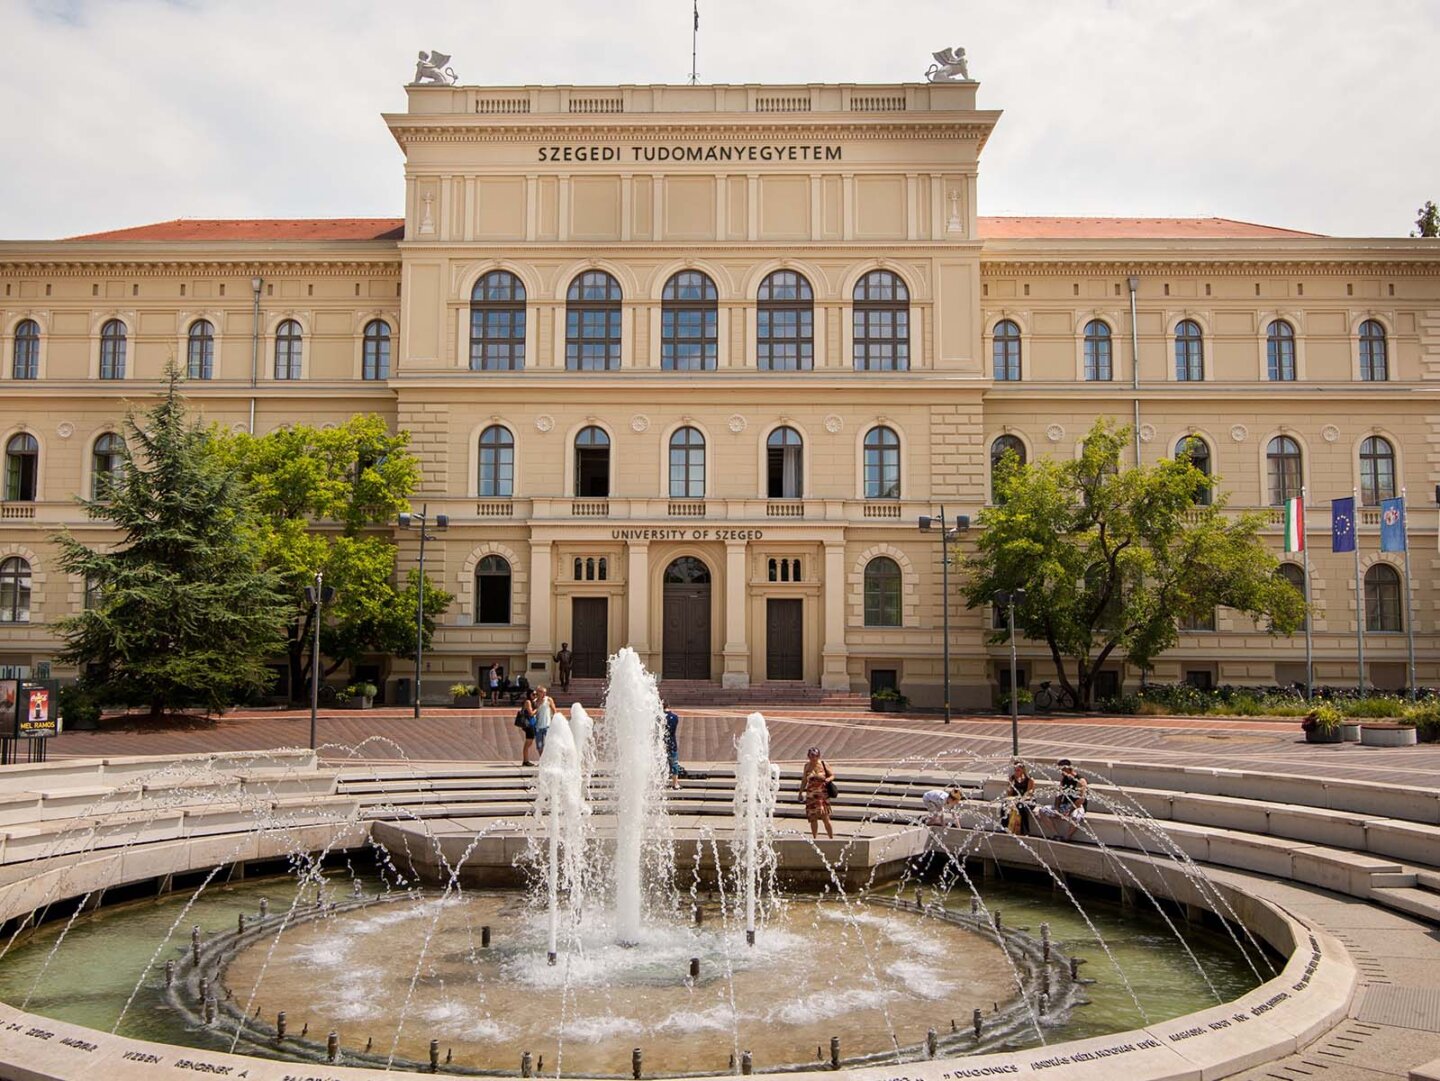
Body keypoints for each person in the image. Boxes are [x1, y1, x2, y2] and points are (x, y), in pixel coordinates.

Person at [800, 747, 835, 840]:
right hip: (811, 796)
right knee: (813, 818)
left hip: (822, 795)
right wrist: (800, 793)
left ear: (818, 756)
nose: (813, 758)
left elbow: (832, 775)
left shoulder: (823, 764)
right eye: (811, 756)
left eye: (815, 756)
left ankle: (831, 838)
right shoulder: (806, 766)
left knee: (825, 818)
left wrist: (828, 779)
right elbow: (804, 780)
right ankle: (814, 838)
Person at [1051, 759, 1088, 841]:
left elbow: (1081, 799)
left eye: (1062, 769)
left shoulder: (1080, 780)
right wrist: (1057, 808)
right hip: (1065, 805)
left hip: (1077, 806)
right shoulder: (1064, 779)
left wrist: (1070, 811)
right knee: (1042, 811)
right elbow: (1059, 795)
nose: (1061, 772)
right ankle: (1055, 834)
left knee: (1076, 816)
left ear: (1067, 768)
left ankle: (1067, 836)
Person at [1001, 760, 1036, 836]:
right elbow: (1009, 794)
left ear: (1023, 770)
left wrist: (1020, 800)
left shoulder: (1029, 780)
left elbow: (1029, 794)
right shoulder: (1012, 779)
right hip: (1015, 800)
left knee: (1021, 807)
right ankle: (1004, 828)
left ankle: (1025, 831)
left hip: (1028, 801)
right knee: (1004, 806)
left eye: (1018, 770)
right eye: (1015, 770)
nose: (1016, 772)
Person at [515, 690, 537, 766]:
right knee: (528, 742)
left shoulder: (531, 701)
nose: (535, 696)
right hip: (528, 724)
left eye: (536, 694)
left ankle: (526, 760)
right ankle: (525, 760)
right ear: (529, 694)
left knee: (529, 742)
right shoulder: (528, 702)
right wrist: (537, 709)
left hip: (531, 724)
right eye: (533, 694)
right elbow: (531, 713)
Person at [663, 702, 681, 788]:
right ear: (669, 706)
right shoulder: (675, 717)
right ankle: (675, 783)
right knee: (674, 763)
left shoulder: (659, 717)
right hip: (672, 742)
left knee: (662, 762)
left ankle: (662, 783)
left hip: (662, 742)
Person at [534, 685, 554, 755]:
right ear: (538, 693)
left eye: (545, 692)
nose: (544, 694)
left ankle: (549, 759)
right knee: (539, 745)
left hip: (547, 726)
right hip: (538, 726)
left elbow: (554, 710)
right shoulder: (535, 701)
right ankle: (541, 759)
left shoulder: (548, 700)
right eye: (542, 692)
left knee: (549, 744)